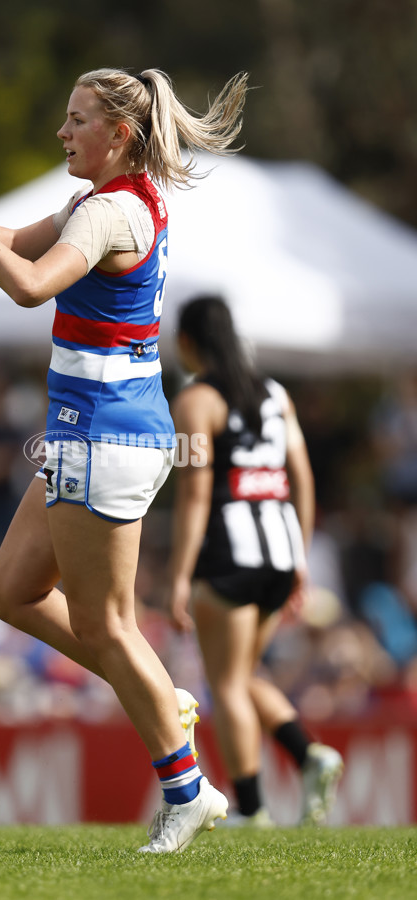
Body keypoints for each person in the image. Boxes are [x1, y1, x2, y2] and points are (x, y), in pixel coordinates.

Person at [0, 67, 248, 852]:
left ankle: (186, 787)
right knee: (12, 591)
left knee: (104, 623)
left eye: (76, 120)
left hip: (107, 435)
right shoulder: (98, 205)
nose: (63, 133)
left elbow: (29, 286)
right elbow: (14, 245)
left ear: (118, 134)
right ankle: (163, 701)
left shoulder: (111, 213)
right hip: (88, 433)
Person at [168, 295, 344, 826]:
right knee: (241, 675)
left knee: (225, 684)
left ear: (187, 342)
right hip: (281, 552)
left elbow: (194, 492)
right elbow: (302, 476)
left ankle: (253, 808)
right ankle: (309, 754)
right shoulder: (276, 393)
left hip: (227, 553)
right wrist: (301, 557)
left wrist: (178, 574)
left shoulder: (194, 400)